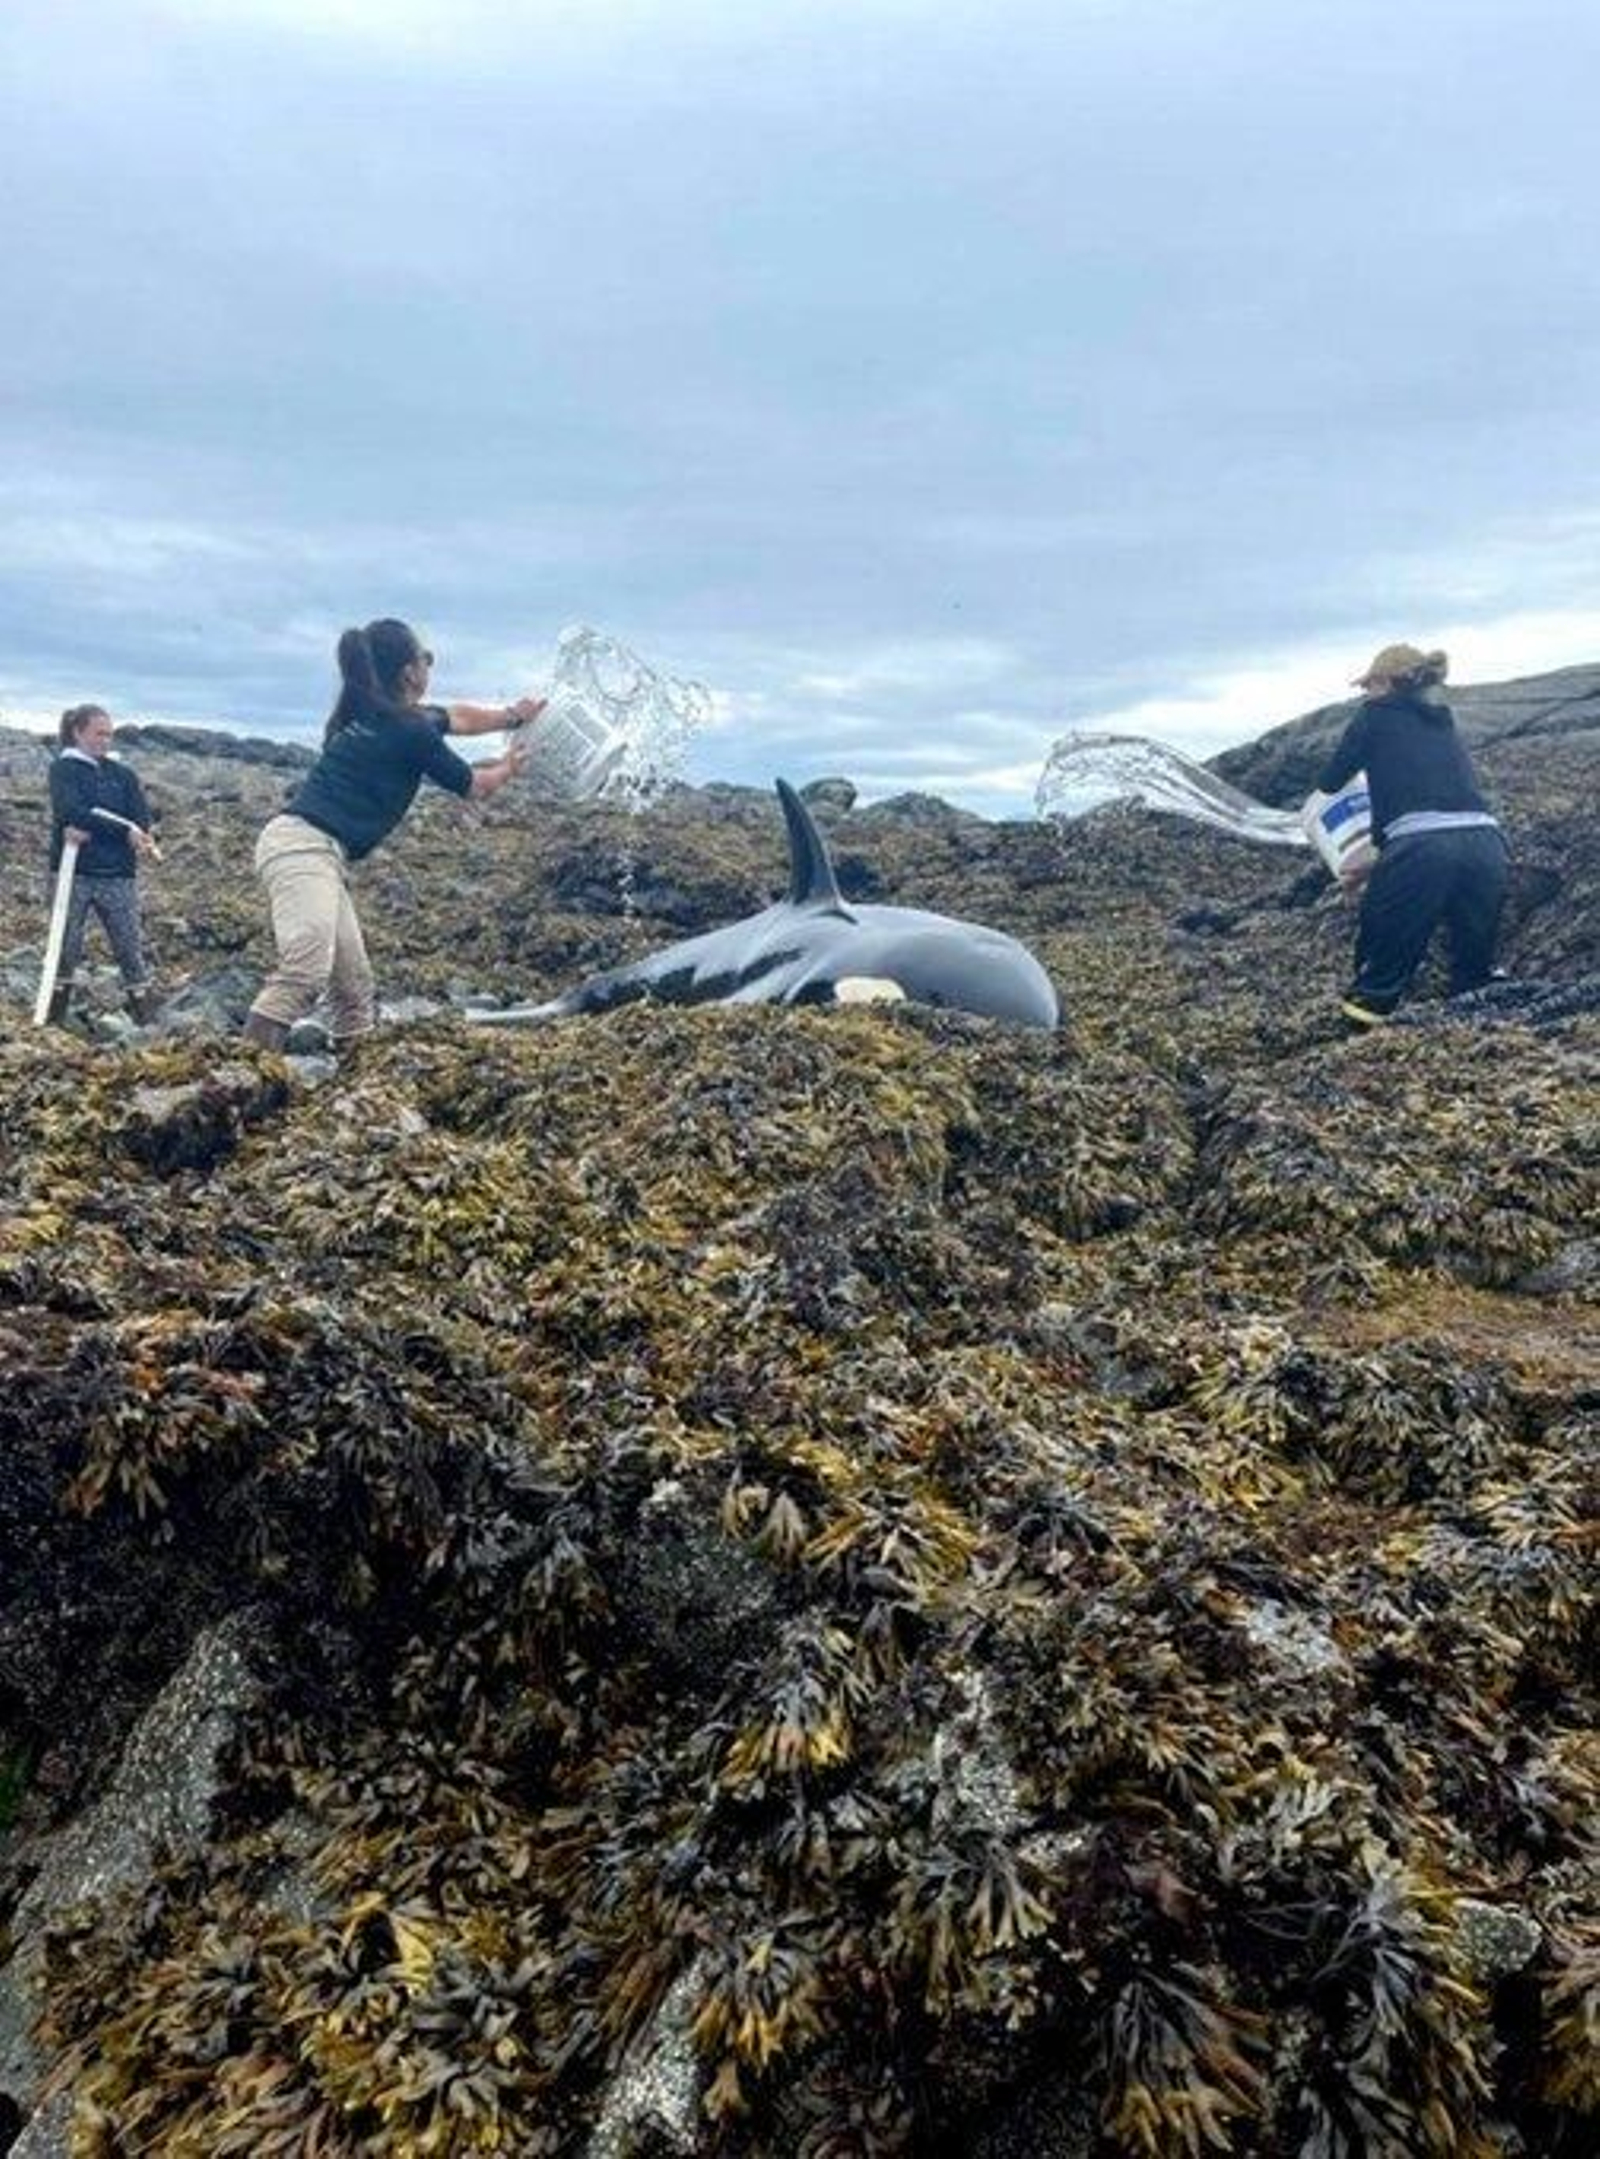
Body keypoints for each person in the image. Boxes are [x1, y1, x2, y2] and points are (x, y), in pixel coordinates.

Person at [242, 619, 544, 1052]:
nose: (430, 666)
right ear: (409, 672)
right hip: (301, 847)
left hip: (319, 852)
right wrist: (510, 767)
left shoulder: (374, 715)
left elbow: (457, 717)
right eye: (427, 658)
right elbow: (475, 786)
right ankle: (237, 1081)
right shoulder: (409, 729)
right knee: (304, 971)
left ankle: (351, 1080)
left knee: (353, 986)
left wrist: (512, 716)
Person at [1316, 644, 1507, 1029]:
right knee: (1473, 973)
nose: (1364, 693)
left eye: (1368, 684)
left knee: (1378, 971)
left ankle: (1354, 1047)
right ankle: (1469, 1047)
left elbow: (1330, 781)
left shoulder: (1374, 715)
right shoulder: (1443, 718)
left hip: (1422, 850)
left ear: (1386, 683)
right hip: (1487, 845)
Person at [46, 704, 160, 1027]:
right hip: (73, 873)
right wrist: (123, 831)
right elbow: (71, 810)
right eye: (99, 733)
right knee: (65, 949)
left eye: (109, 734)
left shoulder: (123, 775)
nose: (105, 740)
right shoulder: (63, 770)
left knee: (129, 948)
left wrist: (132, 831)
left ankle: (147, 1024)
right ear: (78, 732)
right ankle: (53, 1022)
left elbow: (140, 818)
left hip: (117, 876)